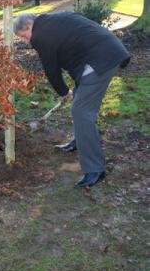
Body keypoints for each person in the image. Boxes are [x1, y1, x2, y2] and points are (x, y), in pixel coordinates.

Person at [13, 12, 130, 188]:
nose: (25, 41)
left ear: (29, 25)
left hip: (101, 59)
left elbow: (51, 69)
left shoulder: (39, 35)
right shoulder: (50, 22)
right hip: (105, 53)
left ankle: (94, 170)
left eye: (23, 36)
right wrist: (70, 91)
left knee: (81, 111)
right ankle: (79, 141)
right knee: (79, 100)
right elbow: (73, 47)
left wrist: (62, 91)